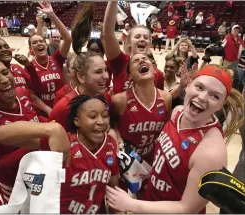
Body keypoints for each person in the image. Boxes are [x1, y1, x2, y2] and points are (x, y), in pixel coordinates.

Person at [105, 65, 244, 214]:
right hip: (150, 202)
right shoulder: (177, 113)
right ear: (188, 85)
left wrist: (131, 204)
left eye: (215, 96)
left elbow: (187, 208)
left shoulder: (211, 153)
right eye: (199, 87)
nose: (203, 97)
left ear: (221, 105)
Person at [0, 95, 120, 214]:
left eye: (105, 115)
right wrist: (50, 129)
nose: (101, 121)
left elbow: (112, 187)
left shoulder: (110, 144)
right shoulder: (63, 141)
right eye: (92, 116)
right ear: (77, 121)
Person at [0, 58, 41, 205]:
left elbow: (35, 119)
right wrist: (35, 144)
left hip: (40, 170)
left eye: (5, 72)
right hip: (14, 183)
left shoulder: (23, 93)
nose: (4, 79)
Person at [112, 53, 172, 168]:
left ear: (154, 69)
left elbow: (166, 129)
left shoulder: (166, 98)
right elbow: (112, 124)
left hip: (152, 159)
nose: (141, 61)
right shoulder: (119, 101)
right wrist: (117, 135)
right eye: (136, 61)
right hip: (127, 162)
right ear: (130, 76)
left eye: (145, 59)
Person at [103, 1, 164, 95]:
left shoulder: (158, 74)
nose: (142, 39)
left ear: (149, 43)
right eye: (137, 36)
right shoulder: (121, 62)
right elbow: (107, 33)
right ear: (129, 42)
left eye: (146, 37)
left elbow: (159, 101)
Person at [25, 1, 72, 113]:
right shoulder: (29, 67)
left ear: (46, 45)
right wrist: (49, 110)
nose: (39, 43)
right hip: (44, 111)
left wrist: (52, 15)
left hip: (62, 106)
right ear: (31, 50)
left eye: (41, 41)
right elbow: (33, 96)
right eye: (34, 43)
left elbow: (67, 39)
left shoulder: (56, 58)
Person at [49, 51, 110, 130]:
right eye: (98, 72)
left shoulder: (106, 97)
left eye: (106, 70)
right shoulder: (64, 107)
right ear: (81, 76)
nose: (106, 76)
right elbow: (49, 139)